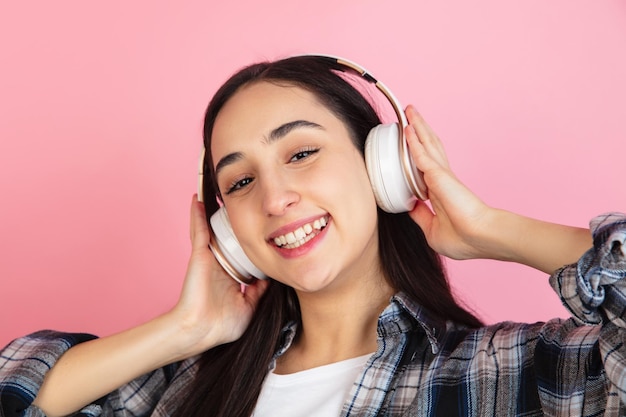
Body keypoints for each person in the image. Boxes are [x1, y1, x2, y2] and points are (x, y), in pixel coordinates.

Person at [0, 55, 624, 417]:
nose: (274, 199)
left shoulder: (505, 374)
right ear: (227, 232)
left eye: (300, 153)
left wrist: (494, 230)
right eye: (240, 183)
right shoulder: (186, 384)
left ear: (383, 166)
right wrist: (184, 330)